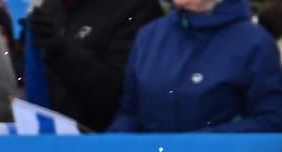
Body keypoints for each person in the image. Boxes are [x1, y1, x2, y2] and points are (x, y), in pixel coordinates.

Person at [109, 0, 282, 132]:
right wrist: (112, 143)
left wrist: (200, 144)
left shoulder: (254, 43)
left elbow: (271, 119)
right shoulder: (149, 36)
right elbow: (130, 113)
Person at [25, 0, 163, 131]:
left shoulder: (136, 8)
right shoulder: (50, 7)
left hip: (107, 140)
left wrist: (62, 51)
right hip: (53, 139)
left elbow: (120, 93)